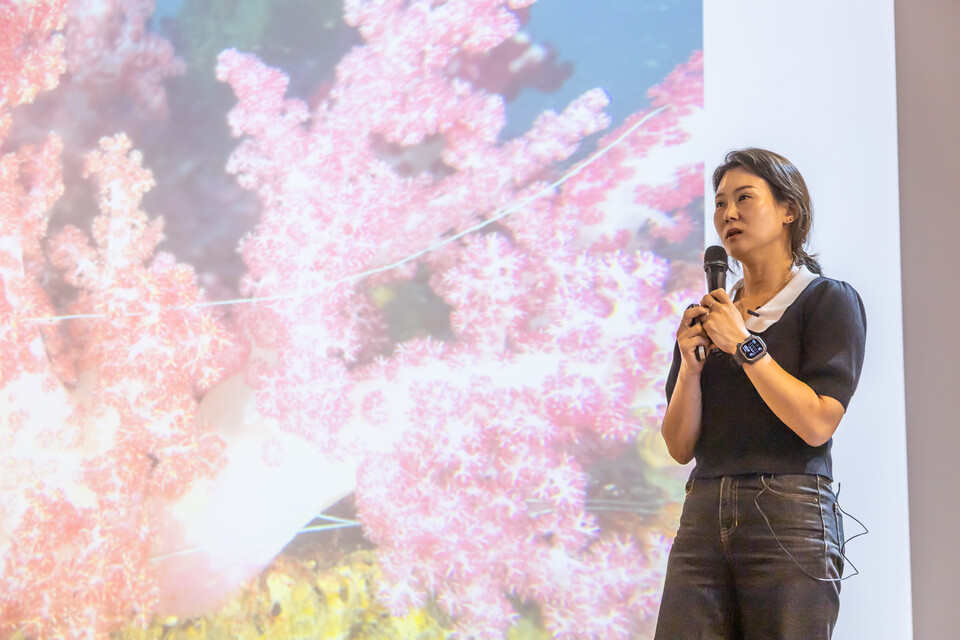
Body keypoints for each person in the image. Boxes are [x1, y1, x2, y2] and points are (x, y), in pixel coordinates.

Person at [653, 148, 867, 640]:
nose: (728, 213)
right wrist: (689, 368)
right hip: (704, 510)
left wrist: (745, 347)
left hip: (788, 511)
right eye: (721, 202)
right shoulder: (708, 318)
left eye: (745, 198)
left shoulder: (828, 300)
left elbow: (817, 422)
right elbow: (680, 447)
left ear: (789, 209)